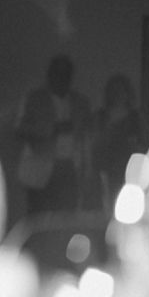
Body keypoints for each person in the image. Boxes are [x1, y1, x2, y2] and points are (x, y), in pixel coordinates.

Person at [15, 54, 91, 215]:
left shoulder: (81, 102)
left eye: (66, 74)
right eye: (57, 73)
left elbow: (87, 134)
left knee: (66, 218)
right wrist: (51, 130)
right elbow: (20, 129)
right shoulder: (34, 99)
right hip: (40, 169)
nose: (61, 78)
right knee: (38, 218)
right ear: (50, 75)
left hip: (70, 167)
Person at [92, 73, 148, 215]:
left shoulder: (135, 118)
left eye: (121, 90)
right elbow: (94, 142)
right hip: (104, 170)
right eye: (114, 90)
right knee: (105, 204)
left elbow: (144, 144)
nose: (117, 94)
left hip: (128, 170)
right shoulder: (100, 117)